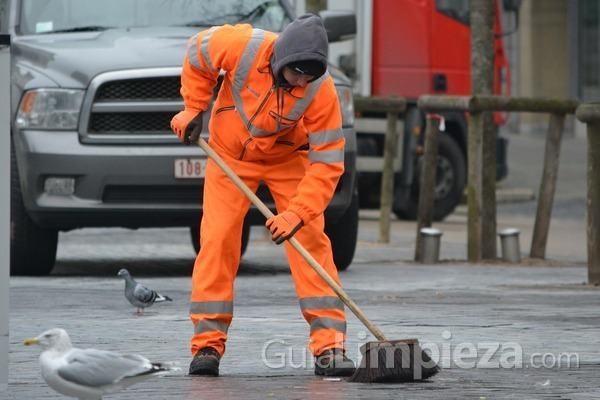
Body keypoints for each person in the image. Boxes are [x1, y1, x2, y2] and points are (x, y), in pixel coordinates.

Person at [171, 13, 355, 377]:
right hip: (229, 155)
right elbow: (197, 53)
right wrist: (194, 106)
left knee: (311, 241)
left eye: (309, 76)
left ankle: (330, 346)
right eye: (296, 74)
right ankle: (207, 345)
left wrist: (298, 213)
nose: (302, 82)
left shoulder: (322, 90)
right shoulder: (240, 45)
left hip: (289, 159)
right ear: (281, 59)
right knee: (218, 239)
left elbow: (328, 163)